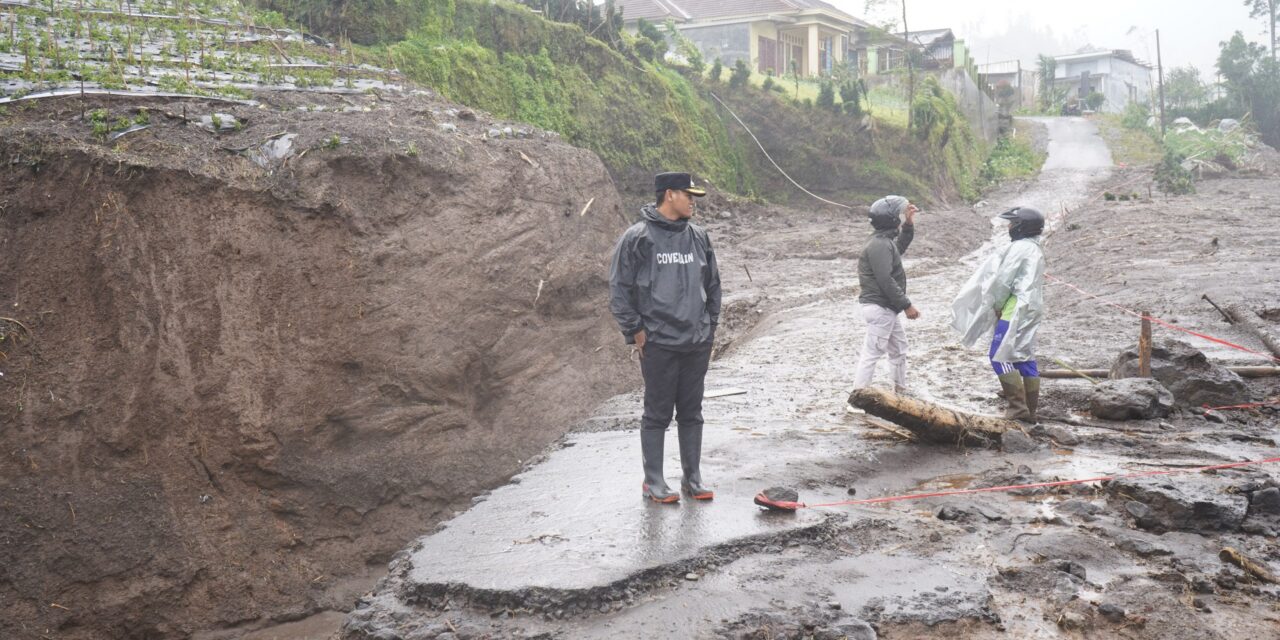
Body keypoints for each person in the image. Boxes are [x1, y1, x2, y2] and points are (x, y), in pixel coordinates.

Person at [609, 172, 721, 504]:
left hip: (695, 342)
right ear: (669, 195)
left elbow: (713, 287)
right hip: (658, 342)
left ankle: (692, 478)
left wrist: (709, 328)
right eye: (688, 195)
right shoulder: (638, 238)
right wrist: (636, 332)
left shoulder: (699, 237)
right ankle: (653, 481)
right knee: (657, 412)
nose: (693, 202)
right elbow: (619, 290)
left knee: (692, 411)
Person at [950, 206, 1047, 423]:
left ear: (1021, 227)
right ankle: (1030, 412)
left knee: (998, 356)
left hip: (1015, 309)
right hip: (1032, 309)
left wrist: (996, 304)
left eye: (1012, 224)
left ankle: (1017, 408)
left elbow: (1003, 280)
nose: (1009, 227)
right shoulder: (1035, 248)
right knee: (1024, 357)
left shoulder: (1019, 247)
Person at [851, 195, 920, 394]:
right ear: (890, 220)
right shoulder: (879, 245)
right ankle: (857, 396)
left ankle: (900, 389)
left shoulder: (883, 242)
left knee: (899, 349)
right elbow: (885, 280)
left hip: (886, 308)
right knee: (872, 353)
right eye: (899, 215)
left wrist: (908, 224)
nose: (899, 218)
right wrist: (907, 305)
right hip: (880, 308)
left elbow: (899, 249)